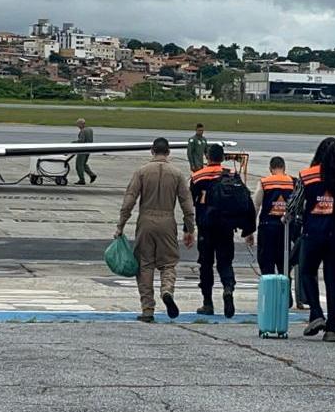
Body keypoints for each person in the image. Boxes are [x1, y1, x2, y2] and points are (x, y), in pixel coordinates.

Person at [116, 138, 196, 322]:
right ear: (168, 153)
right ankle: (167, 290)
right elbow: (187, 203)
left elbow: (129, 199)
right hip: (167, 221)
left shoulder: (142, 172)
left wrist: (120, 225)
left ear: (152, 151)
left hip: (146, 221)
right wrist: (189, 228)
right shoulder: (176, 174)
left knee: (144, 265)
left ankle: (147, 309)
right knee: (168, 263)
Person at [296, 137, 335, 342]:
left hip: (314, 233)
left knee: (307, 272)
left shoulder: (307, 175)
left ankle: (317, 313)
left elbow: (295, 204)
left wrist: (293, 217)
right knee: (333, 278)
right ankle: (331, 327)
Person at [191, 144, 255, 318]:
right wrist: (248, 228)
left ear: (208, 157)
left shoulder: (198, 176)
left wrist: (188, 228)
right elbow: (245, 200)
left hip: (206, 227)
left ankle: (208, 303)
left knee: (206, 264)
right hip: (227, 227)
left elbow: (192, 202)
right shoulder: (232, 174)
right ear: (222, 158)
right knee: (225, 262)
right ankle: (228, 288)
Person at [247, 157, 295, 277]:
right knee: (284, 266)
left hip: (267, 228)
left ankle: (269, 293)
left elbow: (256, 206)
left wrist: (250, 230)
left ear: (270, 169)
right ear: (284, 168)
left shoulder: (264, 182)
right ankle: (285, 294)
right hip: (286, 230)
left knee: (266, 265)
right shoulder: (293, 182)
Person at [74, 118, 97, 185]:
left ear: (81, 124)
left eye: (78, 124)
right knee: (84, 164)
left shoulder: (83, 131)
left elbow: (81, 141)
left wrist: (73, 143)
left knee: (79, 165)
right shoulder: (90, 130)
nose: (77, 126)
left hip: (82, 150)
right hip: (88, 149)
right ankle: (92, 174)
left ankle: (82, 180)